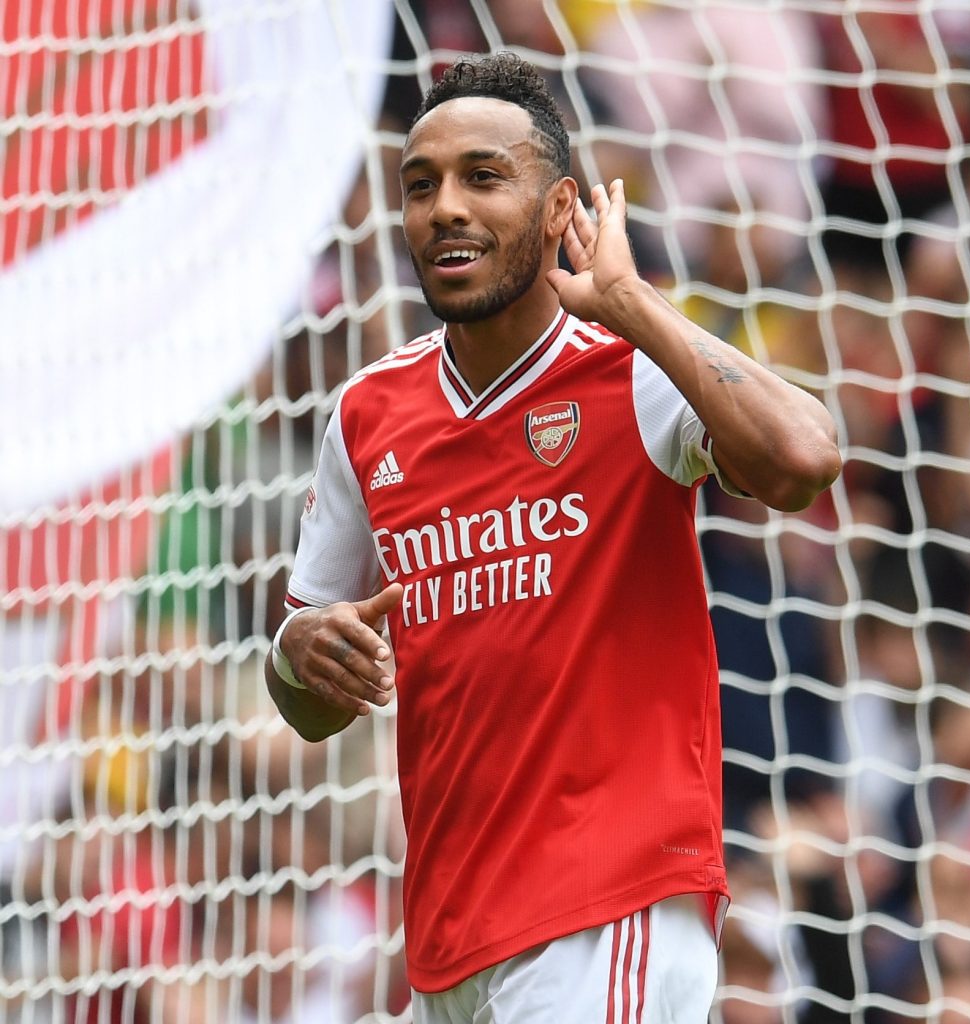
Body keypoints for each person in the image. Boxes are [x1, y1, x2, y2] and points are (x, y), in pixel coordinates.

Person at [265, 52, 841, 1023]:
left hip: (609, 914)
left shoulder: (634, 369)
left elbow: (803, 457)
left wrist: (629, 302)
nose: (444, 206)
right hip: (449, 940)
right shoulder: (369, 412)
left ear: (559, 205)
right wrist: (299, 650)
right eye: (421, 185)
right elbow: (309, 701)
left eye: (483, 177)